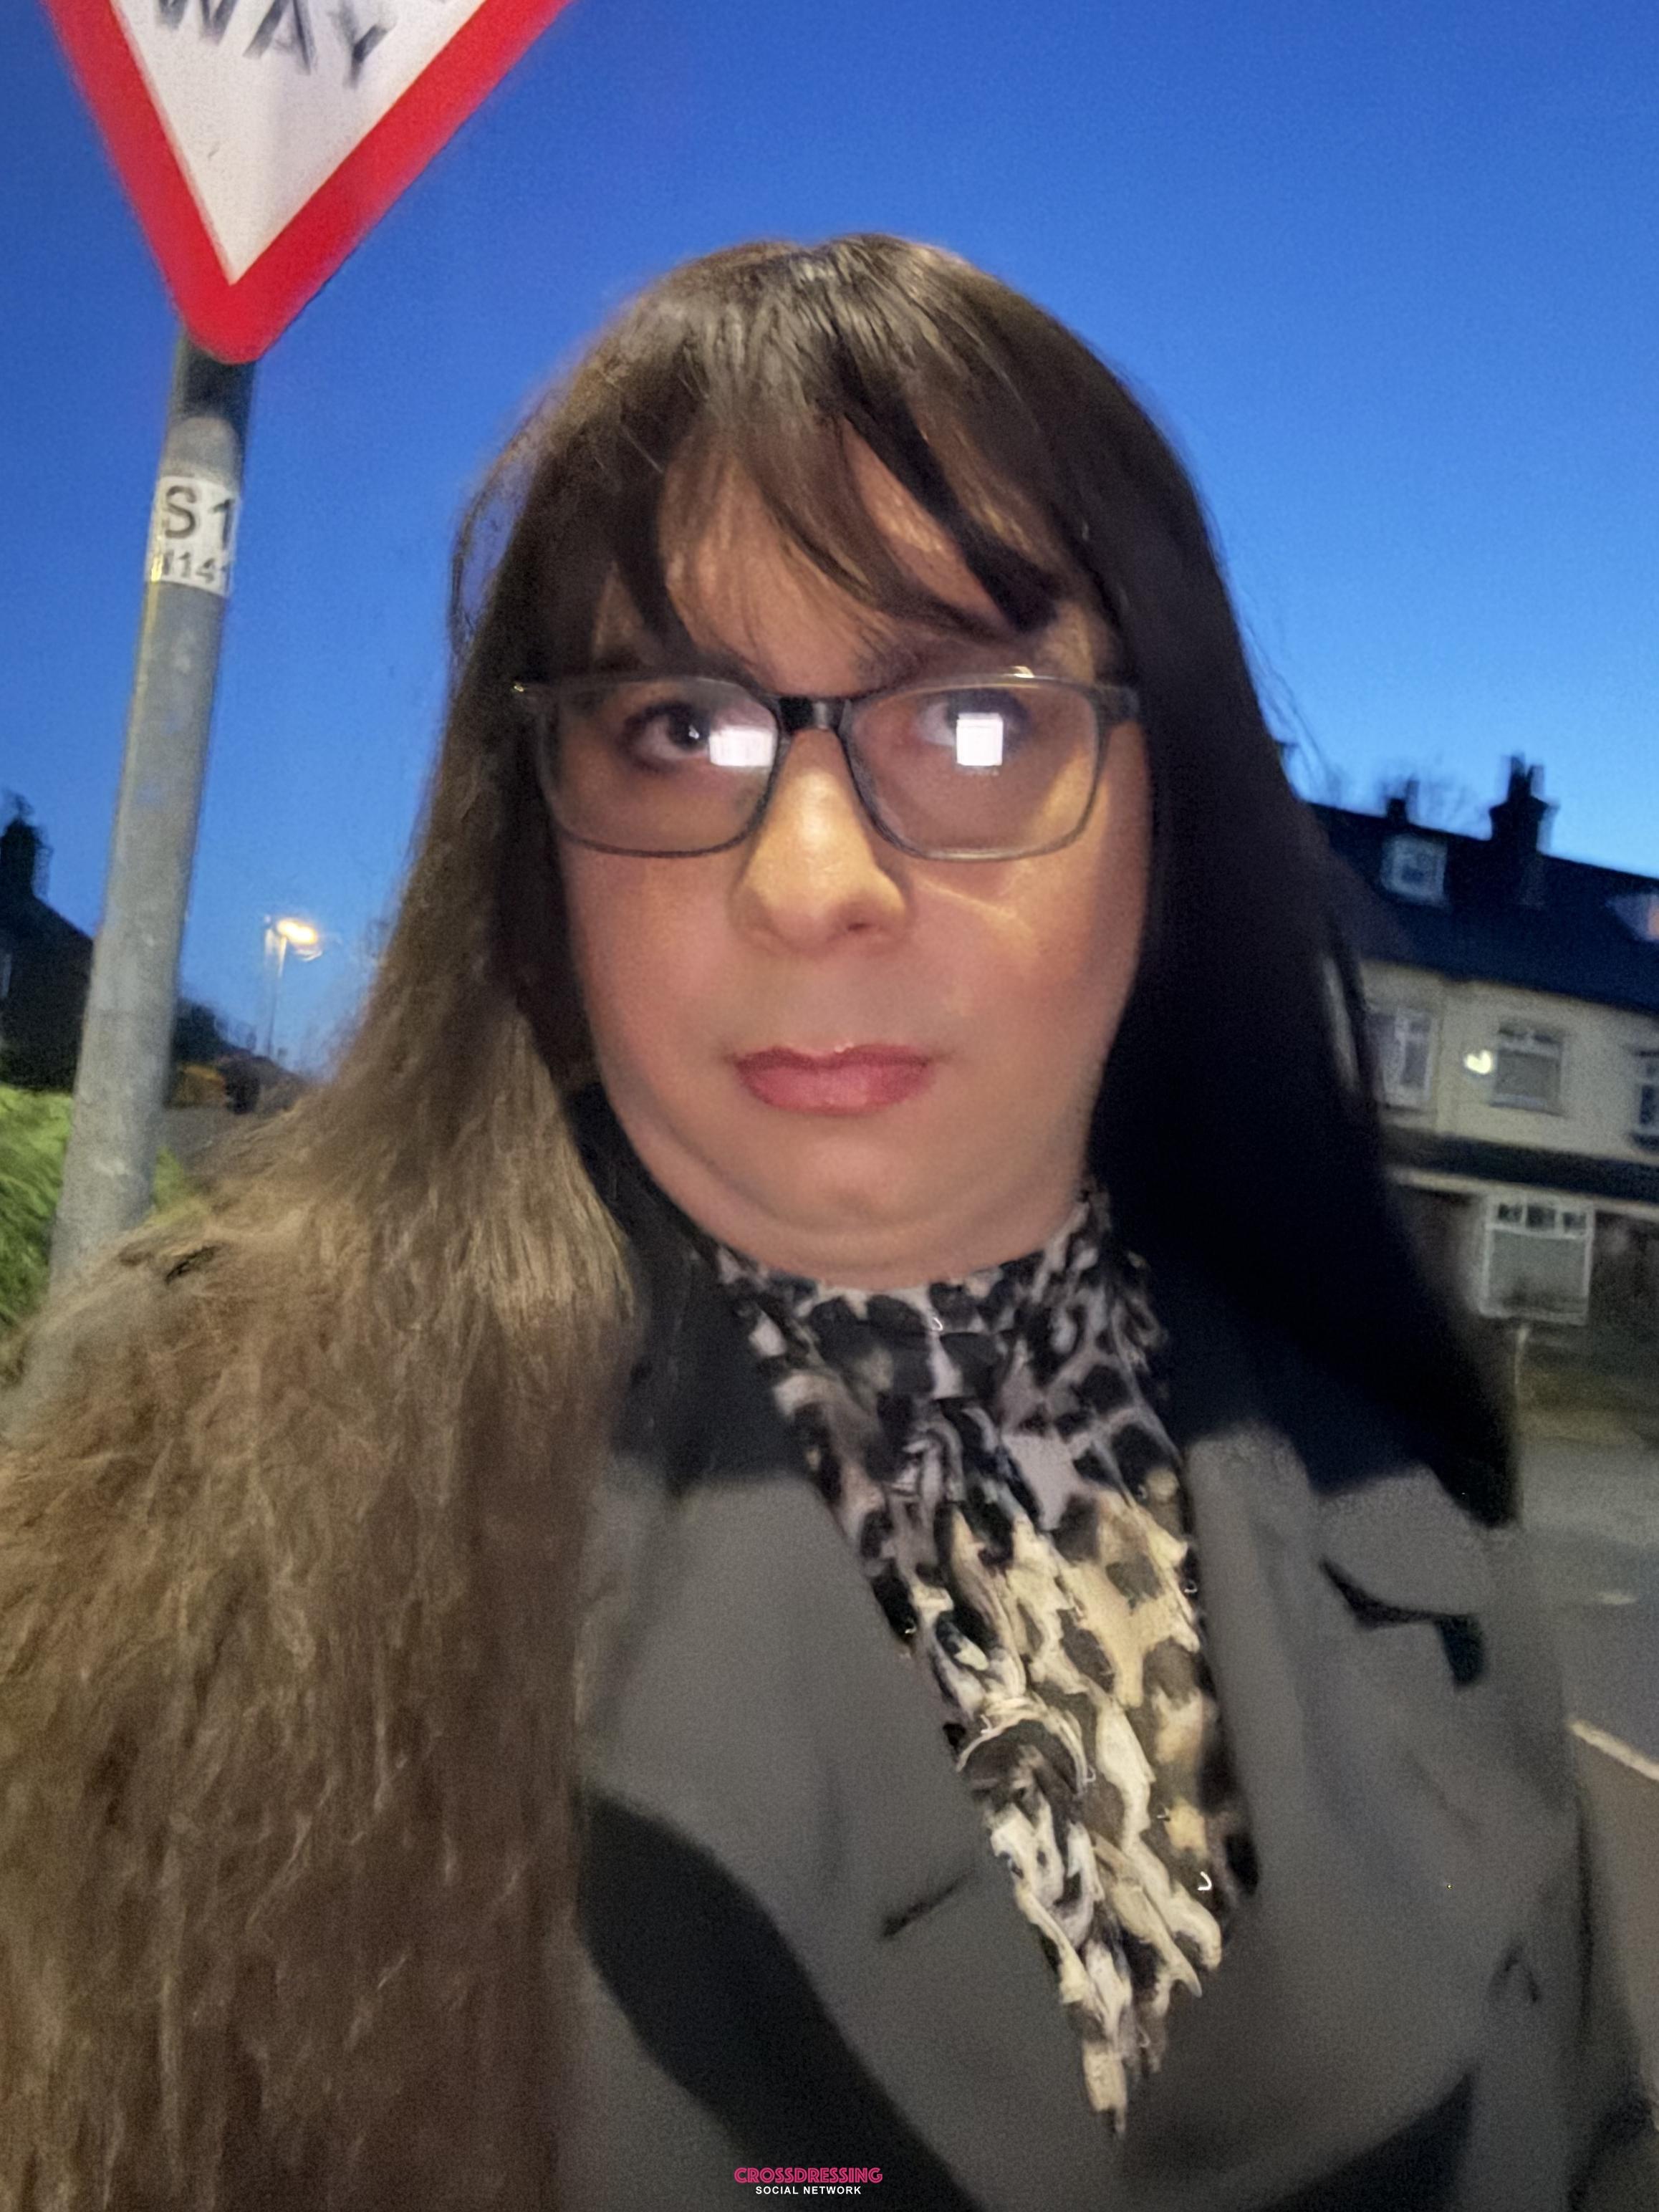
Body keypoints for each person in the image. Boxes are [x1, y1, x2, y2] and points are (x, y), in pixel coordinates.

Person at [0, 235, 1652, 2212]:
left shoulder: (1399, 1480)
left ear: (1171, 817)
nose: (808, 881)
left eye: (974, 723)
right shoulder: (213, 1455)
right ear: (537, 834)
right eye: (675, 726)